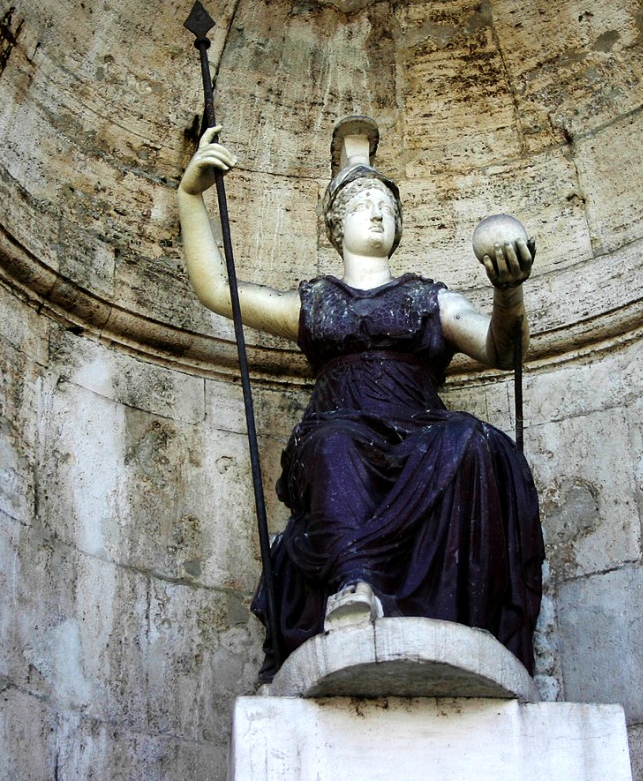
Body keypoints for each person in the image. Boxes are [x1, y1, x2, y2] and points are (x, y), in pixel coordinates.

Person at [177, 118, 544, 682]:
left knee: (472, 441)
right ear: (334, 225)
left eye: (386, 207)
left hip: (420, 430)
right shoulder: (315, 302)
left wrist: (508, 291)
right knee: (332, 444)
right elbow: (216, 290)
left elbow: (502, 351)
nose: (376, 213)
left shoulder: (430, 298)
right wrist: (191, 195)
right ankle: (355, 586)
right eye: (362, 204)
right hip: (342, 427)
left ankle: (461, 615)